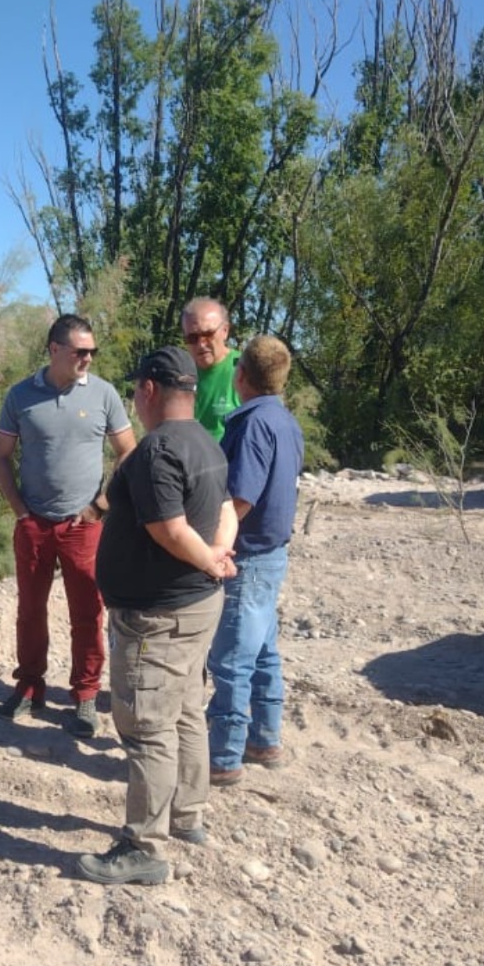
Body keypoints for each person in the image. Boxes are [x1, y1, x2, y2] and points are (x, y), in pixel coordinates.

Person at [78, 346, 237, 886]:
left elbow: (168, 529)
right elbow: (223, 511)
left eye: (135, 391)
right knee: (188, 709)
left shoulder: (157, 450)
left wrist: (210, 559)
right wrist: (216, 553)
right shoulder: (206, 441)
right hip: (195, 609)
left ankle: (143, 845)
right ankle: (187, 816)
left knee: (147, 727)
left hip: (158, 617)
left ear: (149, 389)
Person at [0, 314, 136, 737]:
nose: (88, 358)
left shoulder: (104, 394)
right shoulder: (20, 396)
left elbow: (128, 451)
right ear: (55, 350)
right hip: (34, 523)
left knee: (87, 613)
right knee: (30, 611)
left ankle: (85, 697)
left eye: (92, 351)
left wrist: (101, 506)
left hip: (84, 526)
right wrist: (19, 509)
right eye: (80, 351)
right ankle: (30, 687)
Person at [206, 335, 305, 784]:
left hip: (246, 557)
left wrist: (213, 545)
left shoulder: (251, 425)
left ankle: (222, 759)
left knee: (231, 662)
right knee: (263, 652)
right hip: (273, 553)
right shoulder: (285, 421)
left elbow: (241, 497)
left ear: (240, 375)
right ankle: (265, 738)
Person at [182, 297, 239, 441]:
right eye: (193, 338)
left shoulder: (244, 369)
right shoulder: (179, 374)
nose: (201, 344)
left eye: (208, 334)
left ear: (225, 331)